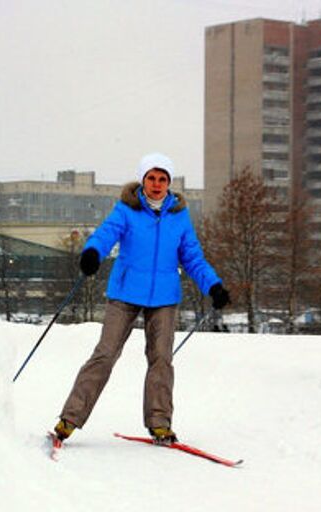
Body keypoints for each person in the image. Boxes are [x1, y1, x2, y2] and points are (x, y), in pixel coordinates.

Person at [52, 153, 231, 445]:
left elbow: (193, 258)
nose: (157, 184)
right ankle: (69, 419)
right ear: (143, 180)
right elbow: (106, 234)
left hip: (163, 298)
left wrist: (213, 286)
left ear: (169, 183)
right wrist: (92, 252)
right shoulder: (127, 209)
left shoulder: (179, 216)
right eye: (152, 178)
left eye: (163, 179)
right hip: (124, 294)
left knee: (161, 359)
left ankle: (160, 424)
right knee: (105, 354)